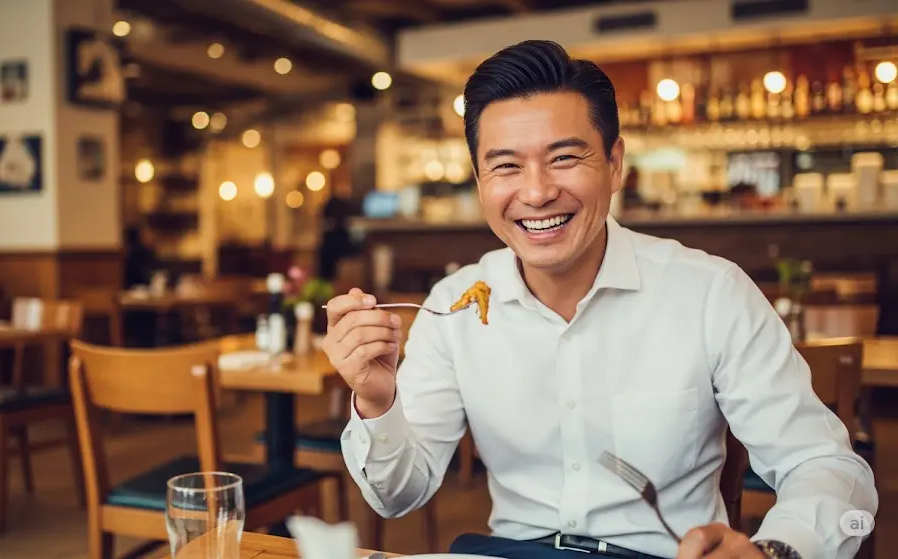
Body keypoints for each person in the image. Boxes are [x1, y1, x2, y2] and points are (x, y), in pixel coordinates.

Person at [323, 40, 876, 559]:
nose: (536, 192)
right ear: (479, 180)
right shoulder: (454, 306)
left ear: (614, 164)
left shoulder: (710, 292)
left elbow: (823, 463)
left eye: (564, 158)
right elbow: (398, 496)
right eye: (506, 165)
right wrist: (377, 401)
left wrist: (774, 549)